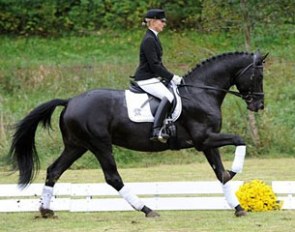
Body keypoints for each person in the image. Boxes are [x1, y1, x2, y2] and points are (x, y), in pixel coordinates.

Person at [133, 9, 182, 143]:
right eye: (162, 21)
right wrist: (172, 77)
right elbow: (155, 65)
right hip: (145, 78)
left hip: (152, 77)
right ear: (153, 21)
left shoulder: (153, 37)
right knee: (168, 97)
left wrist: (168, 77)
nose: (164, 24)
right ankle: (156, 130)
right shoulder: (149, 39)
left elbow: (158, 64)